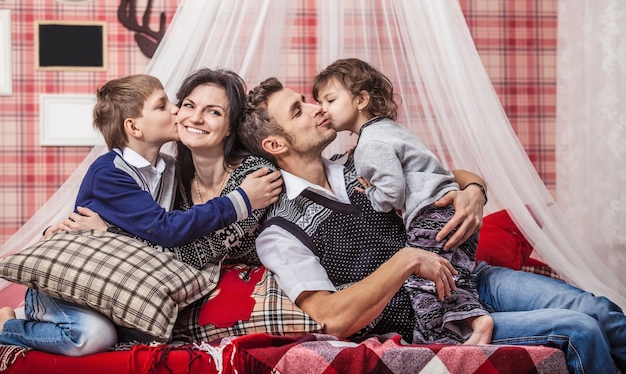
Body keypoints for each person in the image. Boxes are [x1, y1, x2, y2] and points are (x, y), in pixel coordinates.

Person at [238, 76, 626, 374]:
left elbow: (448, 173)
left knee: (598, 309)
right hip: (431, 315)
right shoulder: (281, 230)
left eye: (306, 100)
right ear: (276, 145)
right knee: (580, 329)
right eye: (297, 110)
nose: (314, 107)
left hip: (473, 276)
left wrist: (474, 191)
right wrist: (405, 261)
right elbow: (331, 318)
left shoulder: (359, 158)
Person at [0, 71, 282, 356]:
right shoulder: (111, 172)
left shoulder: (171, 170)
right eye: (167, 106)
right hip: (70, 284)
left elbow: (166, 235)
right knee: (92, 336)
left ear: (230, 125)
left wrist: (111, 234)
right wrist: (242, 200)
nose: (177, 111)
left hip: (112, 286)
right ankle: (8, 327)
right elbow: (166, 230)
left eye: (213, 111)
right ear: (134, 128)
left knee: (146, 332)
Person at [311, 58, 492, 345]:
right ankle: (472, 320)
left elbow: (391, 194)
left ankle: (461, 332)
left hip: (428, 217)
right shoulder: (393, 130)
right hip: (446, 211)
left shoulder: (369, 144)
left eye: (330, 100)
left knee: (427, 285)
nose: (322, 109)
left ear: (360, 100)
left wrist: (371, 193)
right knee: (455, 276)